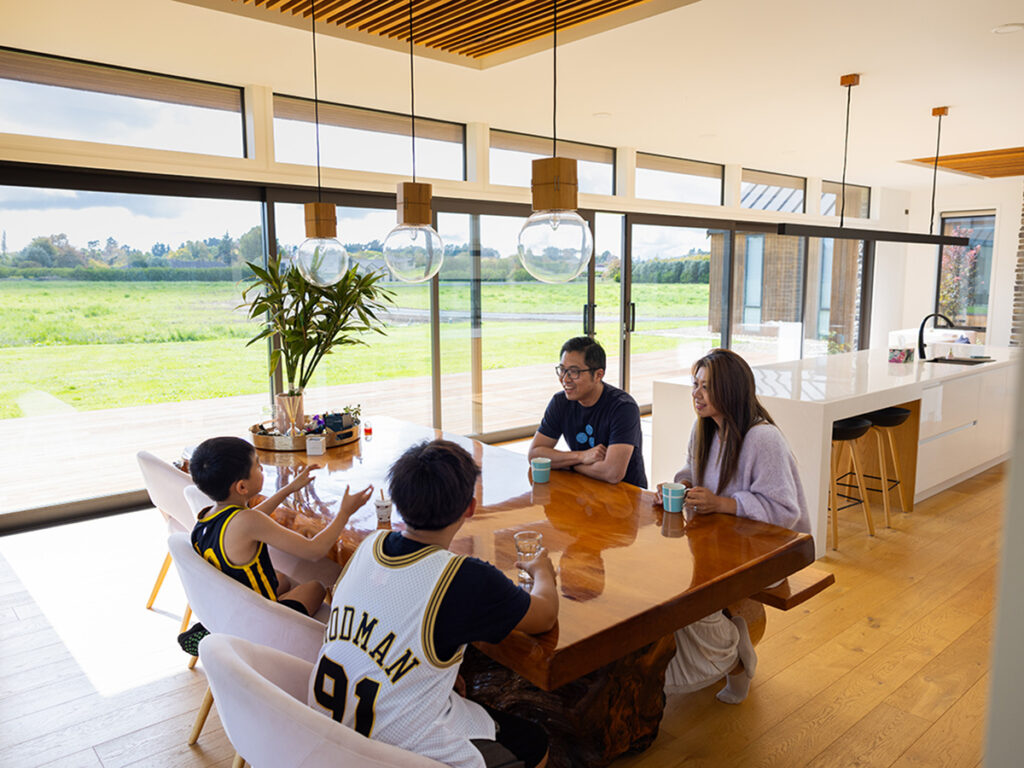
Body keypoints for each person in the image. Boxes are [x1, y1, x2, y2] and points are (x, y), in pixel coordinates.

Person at [309, 439, 557, 768]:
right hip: (392, 749)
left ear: (396, 500)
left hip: (322, 731)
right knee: (534, 742)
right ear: (470, 507)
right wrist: (544, 573)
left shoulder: (370, 544)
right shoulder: (466, 577)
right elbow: (544, 617)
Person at [657, 348, 810, 704]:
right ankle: (719, 647)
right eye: (695, 384)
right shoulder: (705, 430)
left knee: (688, 593)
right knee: (666, 580)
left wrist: (722, 504)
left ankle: (732, 657)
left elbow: (785, 511)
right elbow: (692, 474)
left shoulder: (763, 438)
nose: (696, 393)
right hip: (719, 544)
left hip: (766, 552)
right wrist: (676, 487)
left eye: (706, 387)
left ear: (730, 390)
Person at [178, 436, 372, 654]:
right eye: (258, 466)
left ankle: (214, 626)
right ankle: (224, 632)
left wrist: (290, 488)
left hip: (229, 603)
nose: (262, 469)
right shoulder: (249, 522)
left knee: (279, 579)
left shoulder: (207, 518)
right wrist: (345, 513)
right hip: (257, 622)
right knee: (316, 587)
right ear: (242, 486)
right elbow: (314, 550)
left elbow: (251, 518)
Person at [529, 336, 647, 488]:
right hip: (583, 488)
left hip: (625, 496)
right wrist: (581, 456)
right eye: (562, 370)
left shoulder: (623, 408)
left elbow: (612, 473)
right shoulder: (560, 402)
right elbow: (534, 455)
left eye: (574, 372)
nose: (565, 379)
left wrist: (567, 464)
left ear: (598, 375)